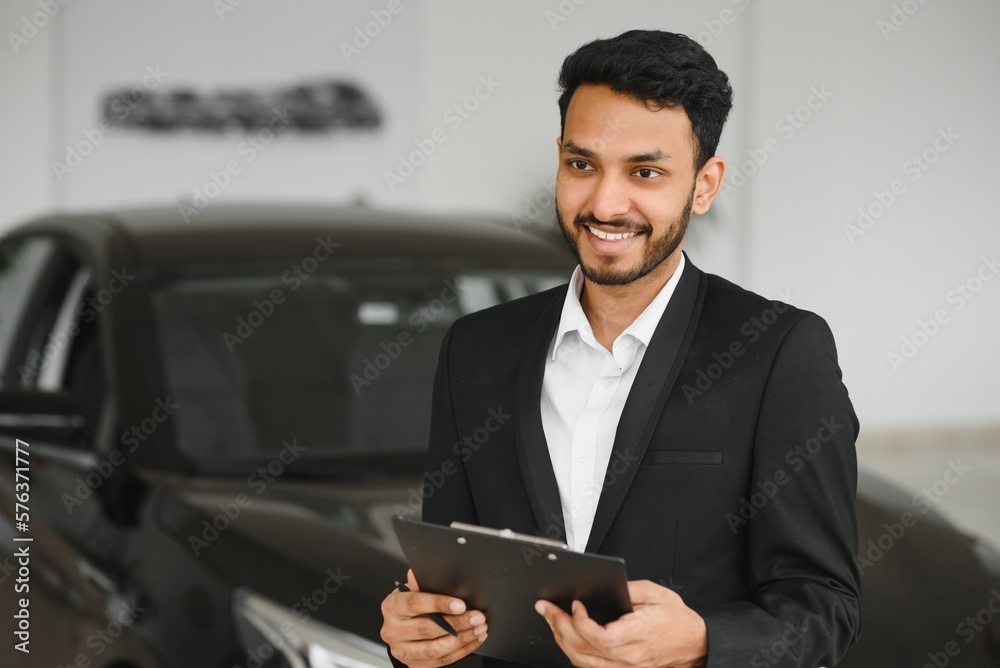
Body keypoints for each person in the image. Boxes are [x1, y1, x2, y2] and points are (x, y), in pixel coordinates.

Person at [380, 29, 861, 668]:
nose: (606, 203)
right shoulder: (474, 349)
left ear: (704, 184)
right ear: (558, 158)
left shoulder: (779, 353)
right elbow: (452, 584)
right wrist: (417, 636)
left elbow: (825, 607)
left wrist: (700, 641)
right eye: (582, 164)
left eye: (645, 172)